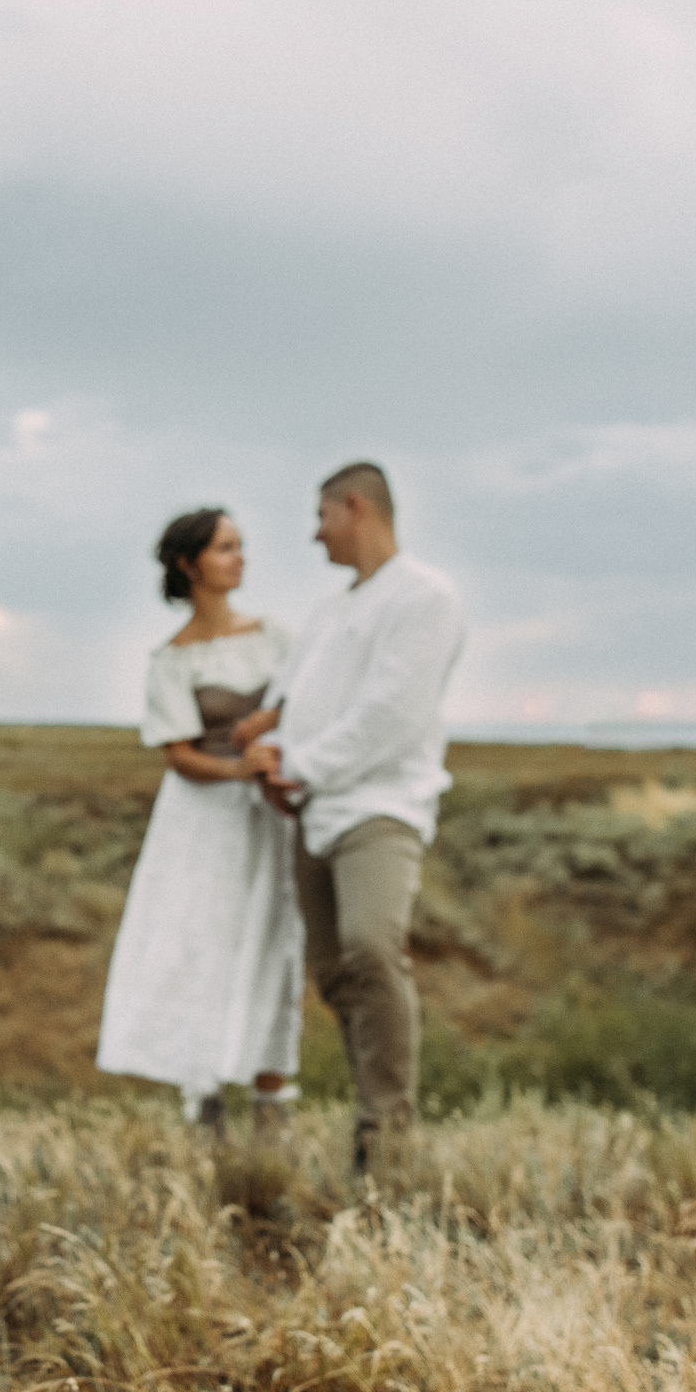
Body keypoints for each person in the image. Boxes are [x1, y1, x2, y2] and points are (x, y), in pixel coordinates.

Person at [239, 462, 464, 1173]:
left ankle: (387, 1135)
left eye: (322, 516)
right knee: (336, 972)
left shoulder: (425, 597)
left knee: (372, 946)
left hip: (381, 806)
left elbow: (391, 715)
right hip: (313, 808)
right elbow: (288, 702)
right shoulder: (329, 613)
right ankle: (372, 1129)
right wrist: (272, 752)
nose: (315, 533)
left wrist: (298, 764)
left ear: (356, 508)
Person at [94, 508, 304, 1131]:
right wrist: (243, 769)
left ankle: (273, 1098)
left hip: (268, 813)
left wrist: (272, 749)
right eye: (225, 549)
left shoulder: (274, 638)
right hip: (202, 821)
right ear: (190, 565)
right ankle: (201, 1091)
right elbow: (180, 755)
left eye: (241, 547)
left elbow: (302, 704)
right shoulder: (171, 659)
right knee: (201, 942)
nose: (240, 558)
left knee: (272, 940)